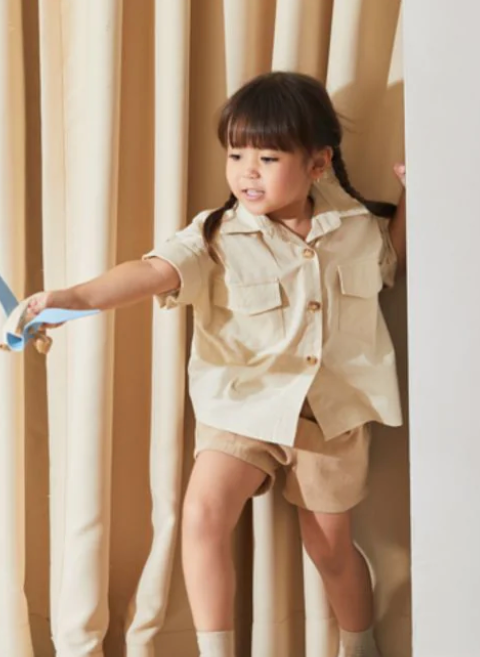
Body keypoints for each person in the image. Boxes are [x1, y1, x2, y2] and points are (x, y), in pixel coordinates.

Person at [26, 71, 407, 657]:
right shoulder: (214, 235)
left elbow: (392, 259)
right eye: (236, 155)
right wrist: (71, 299)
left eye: (267, 158)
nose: (247, 172)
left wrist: (414, 198)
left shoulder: (356, 227)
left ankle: (360, 645)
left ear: (317, 164)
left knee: (330, 547)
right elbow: (150, 272)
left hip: (331, 416)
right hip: (243, 407)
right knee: (202, 516)